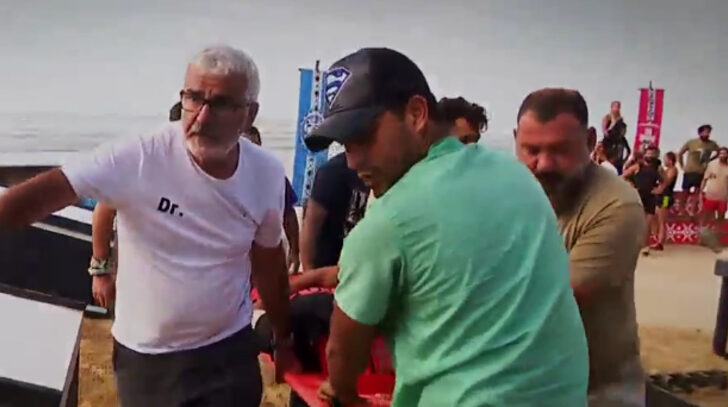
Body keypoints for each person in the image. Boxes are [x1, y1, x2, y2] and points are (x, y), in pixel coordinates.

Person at [0, 45, 298, 406]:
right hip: (150, 359)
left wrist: (283, 336)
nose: (202, 117)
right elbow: (43, 195)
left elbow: (268, 261)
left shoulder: (266, 173)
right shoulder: (139, 156)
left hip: (228, 350)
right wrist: (100, 269)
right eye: (193, 98)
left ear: (250, 113)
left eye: (220, 104)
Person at [304, 48, 588, 407]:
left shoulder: (388, 220)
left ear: (416, 114)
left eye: (363, 137)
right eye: (346, 145)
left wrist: (344, 393)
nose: (353, 161)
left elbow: (342, 351)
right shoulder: (515, 175)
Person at [515, 88, 646, 405]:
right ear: (516, 140)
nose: (543, 163)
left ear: (590, 141)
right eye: (531, 150)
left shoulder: (616, 205)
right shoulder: (513, 193)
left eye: (560, 150)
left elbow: (551, 302)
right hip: (526, 383)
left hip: (595, 391)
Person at [299, 152, 368, 271]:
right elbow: (310, 226)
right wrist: (309, 270)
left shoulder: (390, 171)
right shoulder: (332, 172)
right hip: (330, 265)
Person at [245, 125, 300, 273]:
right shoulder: (223, 178)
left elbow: (289, 214)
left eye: (254, 147)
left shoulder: (275, 177)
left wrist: (294, 251)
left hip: (266, 251)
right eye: (245, 148)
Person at [623, 145, 662, 255]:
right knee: (634, 222)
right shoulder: (638, 166)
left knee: (648, 223)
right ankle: (632, 245)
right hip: (638, 196)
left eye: (653, 154)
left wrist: (660, 189)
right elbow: (624, 175)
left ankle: (646, 246)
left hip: (652, 197)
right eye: (649, 153)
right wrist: (631, 185)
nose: (650, 156)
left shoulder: (658, 168)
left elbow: (664, 181)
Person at [698, 146, 728, 252]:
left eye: (725, 153)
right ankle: (701, 238)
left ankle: (716, 241)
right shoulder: (712, 164)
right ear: (718, 154)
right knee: (705, 218)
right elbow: (704, 179)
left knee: (720, 220)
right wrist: (701, 192)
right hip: (710, 196)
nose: (723, 155)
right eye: (721, 153)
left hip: (723, 197)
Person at [679, 124, 719, 194]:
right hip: (689, 171)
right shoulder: (691, 142)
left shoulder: (712, 144)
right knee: (685, 192)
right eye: (705, 132)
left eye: (709, 132)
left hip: (701, 171)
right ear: (700, 133)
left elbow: (720, 152)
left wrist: (710, 160)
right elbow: (680, 153)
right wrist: (682, 165)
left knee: (697, 192)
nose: (707, 134)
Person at [651, 151, 678, 251]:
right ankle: (657, 238)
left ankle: (660, 242)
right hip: (662, 196)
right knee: (655, 216)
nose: (664, 161)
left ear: (670, 160)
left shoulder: (673, 170)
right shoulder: (667, 170)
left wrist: (661, 171)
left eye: (665, 159)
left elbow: (666, 182)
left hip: (666, 197)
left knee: (661, 219)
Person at [601, 101, 630, 173]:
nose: (617, 109)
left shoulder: (620, 120)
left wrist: (624, 161)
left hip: (618, 155)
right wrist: (613, 123)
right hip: (609, 146)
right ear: (611, 107)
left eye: (618, 107)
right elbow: (605, 132)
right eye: (616, 106)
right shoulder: (607, 117)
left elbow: (628, 151)